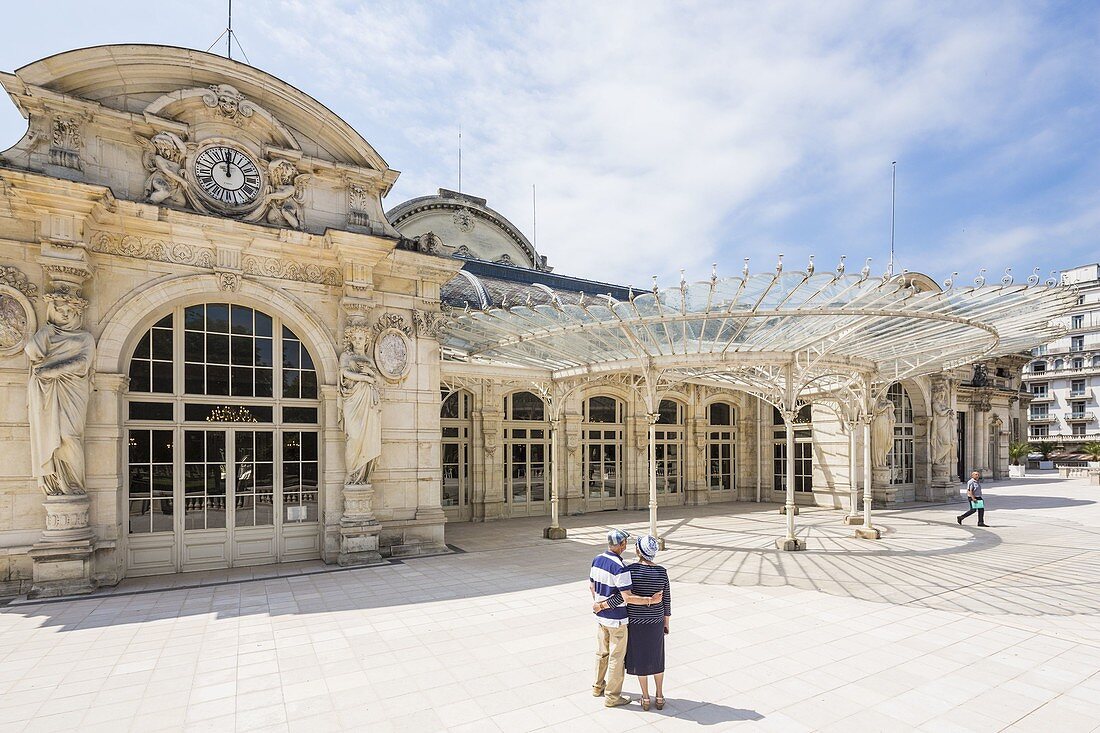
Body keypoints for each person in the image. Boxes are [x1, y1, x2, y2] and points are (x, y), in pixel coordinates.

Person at [589, 528, 663, 708]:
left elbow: (592, 587)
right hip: (617, 620)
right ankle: (612, 697)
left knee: (602, 653)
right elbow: (626, 597)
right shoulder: (620, 567)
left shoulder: (597, 559)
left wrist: (599, 605)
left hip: (601, 618)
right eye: (625, 543)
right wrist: (649, 600)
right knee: (616, 657)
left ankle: (597, 687)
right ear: (621, 544)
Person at [622, 535, 671, 711]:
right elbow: (667, 601)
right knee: (657, 657)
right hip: (656, 621)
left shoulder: (631, 570)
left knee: (641, 658)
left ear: (638, 551)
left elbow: (626, 598)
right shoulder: (662, 572)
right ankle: (659, 695)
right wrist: (666, 623)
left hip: (636, 621)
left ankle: (644, 697)